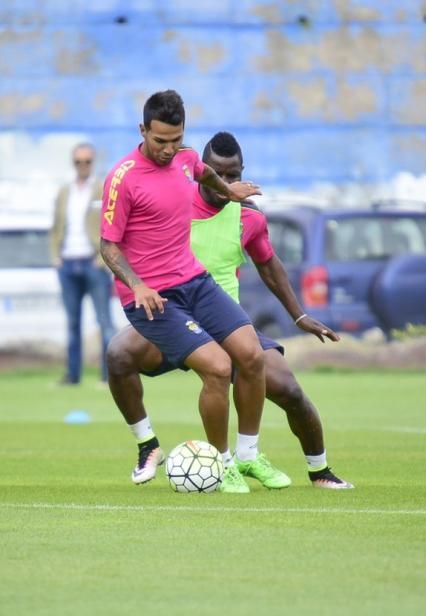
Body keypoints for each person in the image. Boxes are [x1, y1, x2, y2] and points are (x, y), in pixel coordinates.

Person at [107, 131, 354, 490]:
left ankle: (317, 472)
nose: (225, 182)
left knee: (289, 390)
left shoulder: (249, 217)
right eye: (218, 174)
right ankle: (148, 446)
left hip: (224, 319)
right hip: (172, 314)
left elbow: (270, 266)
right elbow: (123, 238)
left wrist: (299, 315)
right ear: (203, 170)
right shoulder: (173, 198)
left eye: (234, 175)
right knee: (118, 355)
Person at [100, 90, 289, 494]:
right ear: (142, 130)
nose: (169, 150)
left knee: (252, 355)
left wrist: (228, 190)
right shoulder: (122, 177)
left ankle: (249, 456)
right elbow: (108, 246)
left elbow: (201, 171)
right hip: (152, 298)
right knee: (219, 368)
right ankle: (221, 466)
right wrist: (138, 284)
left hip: (195, 281)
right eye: (160, 141)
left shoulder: (185, 158)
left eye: (176, 139)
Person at [50, 143, 116, 384]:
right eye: (78, 162)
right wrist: (55, 255)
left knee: (105, 322)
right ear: (73, 163)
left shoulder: (102, 189)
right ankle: (72, 375)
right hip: (68, 263)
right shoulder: (65, 192)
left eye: (87, 161)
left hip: (93, 263)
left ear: (93, 162)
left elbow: (112, 225)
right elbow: (55, 225)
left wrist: (103, 259)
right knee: (72, 323)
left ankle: (109, 376)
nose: (83, 166)